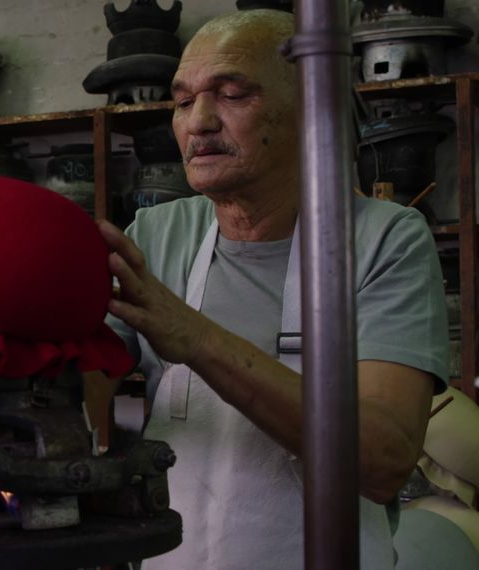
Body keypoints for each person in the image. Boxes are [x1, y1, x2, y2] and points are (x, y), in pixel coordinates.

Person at [99, 9, 448, 569]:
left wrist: (194, 337)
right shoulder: (160, 234)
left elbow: (383, 463)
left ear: (311, 108)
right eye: (184, 101)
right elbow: (83, 384)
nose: (199, 122)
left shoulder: (384, 239)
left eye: (233, 94)